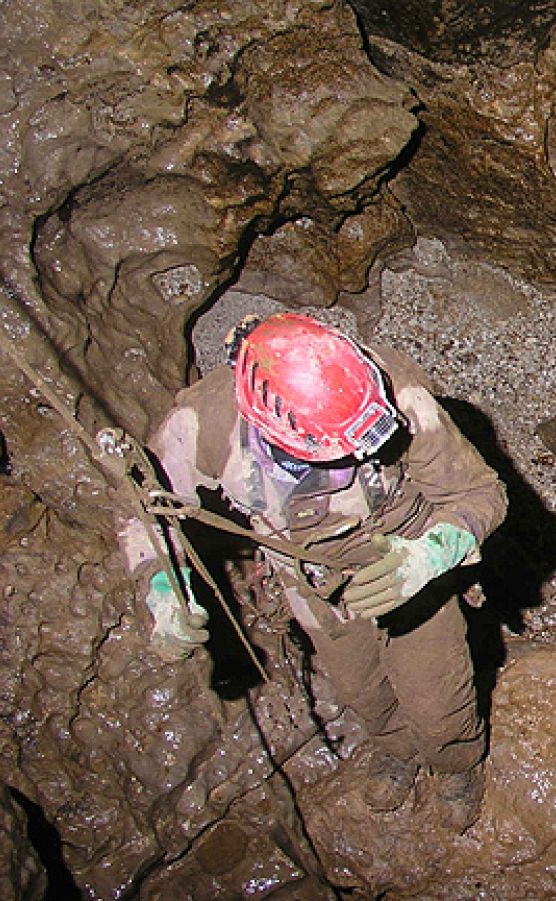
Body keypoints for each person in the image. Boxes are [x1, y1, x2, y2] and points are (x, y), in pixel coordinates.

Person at [117, 312, 507, 829]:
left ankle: (455, 763)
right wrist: (163, 588)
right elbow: (146, 511)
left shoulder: (396, 396)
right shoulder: (204, 426)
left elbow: (480, 492)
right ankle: (395, 750)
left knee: (437, 697)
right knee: (361, 689)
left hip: (405, 563)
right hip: (313, 586)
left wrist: (432, 554)